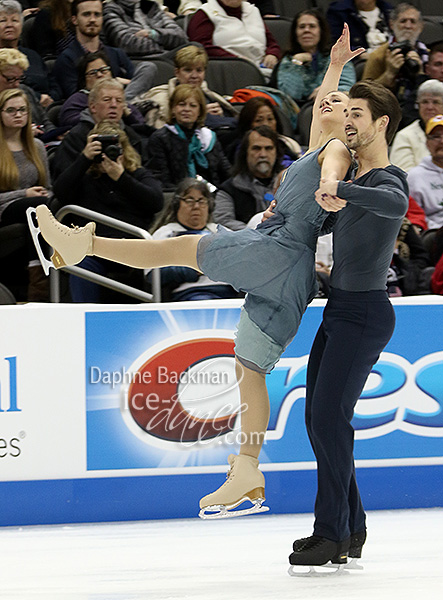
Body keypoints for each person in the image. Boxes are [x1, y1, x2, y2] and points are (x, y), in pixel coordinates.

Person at [31, 25, 363, 518]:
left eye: (337, 104)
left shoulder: (334, 151)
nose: (327, 103)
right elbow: (322, 127)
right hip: (292, 279)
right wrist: (334, 65)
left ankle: (82, 244)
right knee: (249, 368)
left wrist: (333, 186)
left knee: (184, 247)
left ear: (345, 121)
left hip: (279, 250)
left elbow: (334, 165)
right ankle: (248, 467)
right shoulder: (319, 146)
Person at [288, 80, 408, 570]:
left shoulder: (385, 179)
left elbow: (396, 205)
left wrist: (342, 190)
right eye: (348, 112)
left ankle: (330, 532)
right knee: (320, 419)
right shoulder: (358, 181)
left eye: (358, 113)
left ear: (381, 123)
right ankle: (351, 526)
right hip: (340, 308)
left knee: (329, 421)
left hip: (363, 313)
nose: (349, 121)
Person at [53, 118, 163, 301]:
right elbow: (60, 192)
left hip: (132, 248)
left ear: (124, 150)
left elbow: (156, 201)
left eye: (113, 148)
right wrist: (85, 158)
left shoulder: (136, 175)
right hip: (96, 249)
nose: (107, 154)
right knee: (81, 264)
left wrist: (120, 177)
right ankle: (86, 320)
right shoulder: (83, 178)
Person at [0, 88, 53, 301]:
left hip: (34, 208)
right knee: (36, 206)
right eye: (11, 110)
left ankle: (47, 271)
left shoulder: (37, 146)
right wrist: (24, 193)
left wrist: (42, 194)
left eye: (22, 110)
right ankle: (40, 280)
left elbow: (48, 186)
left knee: (45, 205)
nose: (18, 114)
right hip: (3, 210)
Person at [150, 177, 238, 301]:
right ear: (177, 204)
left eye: (201, 201)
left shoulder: (222, 232)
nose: (196, 206)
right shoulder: (165, 234)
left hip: (231, 295)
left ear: (209, 206)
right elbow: (152, 274)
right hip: (191, 295)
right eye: (189, 200)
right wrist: (194, 268)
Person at [52, 0, 156, 101]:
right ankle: (122, 104)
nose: (92, 19)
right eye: (86, 14)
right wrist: (114, 83)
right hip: (92, 111)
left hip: (126, 105)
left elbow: (136, 84)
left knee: (148, 67)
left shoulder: (117, 53)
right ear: (74, 20)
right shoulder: (66, 58)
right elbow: (75, 96)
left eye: (97, 15)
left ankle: (123, 104)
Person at [51, 78, 152, 179]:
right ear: (93, 107)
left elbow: (146, 178)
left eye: (119, 100)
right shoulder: (75, 138)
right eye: (107, 100)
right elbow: (62, 184)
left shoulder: (132, 137)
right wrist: (84, 159)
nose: (114, 105)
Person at [132, 44, 239, 130]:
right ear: (177, 72)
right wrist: (200, 116)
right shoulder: (160, 96)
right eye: (188, 70)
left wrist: (221, 115)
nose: (194, 76)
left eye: (199, 70)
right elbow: (161, 130)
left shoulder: (210, 95)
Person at [147, 83, 231, 191]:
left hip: (213, 195)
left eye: (193, 105)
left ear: (200, 111)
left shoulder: (209, 137)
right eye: (181, 104)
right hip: (177, 196)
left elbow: (225, 171)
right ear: (173, 109)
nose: (187, 109)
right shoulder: (160, 138)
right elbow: (162, 179)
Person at [362, 3, 428, 129]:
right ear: (392, 24)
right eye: (403, 21)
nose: (408, 26)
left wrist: (420, 74)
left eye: (413, 22)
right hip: (385, 115)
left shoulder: (429, 56)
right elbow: (363, 94)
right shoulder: (378, 56)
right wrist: (389, 74)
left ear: (421, 27)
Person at [276, 9, 356, 110]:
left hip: (334, 108)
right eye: (302, 27)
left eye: (312, 26)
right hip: (299, 112)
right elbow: (291, 94)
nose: (306, 30)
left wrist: (326, 92)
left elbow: (347, 86)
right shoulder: (289, 61)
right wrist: (297, 63)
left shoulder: (336, 56)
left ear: (321, 31)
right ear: (295, 33)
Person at [214, 125, 282, 230]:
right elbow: (223, 221)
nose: (263, 154)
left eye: (269, 148)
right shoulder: (229, 190)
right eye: (256, 148)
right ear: (245, 153)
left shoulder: (288, 183)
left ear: (276, 152)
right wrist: (256, 231)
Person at [187, 0, 280, 74]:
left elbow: (271, 42)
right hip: (230, 70)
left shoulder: (253, 10)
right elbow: (201, 47)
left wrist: (272, 54)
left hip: (264, 69)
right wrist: (236, 59)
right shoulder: (205, 13)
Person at [58, 51, 144, 127]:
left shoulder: (120, 100)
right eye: (92, 73)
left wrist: (128, 115)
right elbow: (68, 122)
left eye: (103, 70)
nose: (99, 75)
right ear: (84, 81)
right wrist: (100, 113)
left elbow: (140, 125)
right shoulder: (77, 99)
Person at [0, 0, 60, 105]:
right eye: (2, 21)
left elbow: (54, 86)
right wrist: (37, 98)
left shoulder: (33, 56)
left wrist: (50, 99)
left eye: (15, 20)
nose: (9, 25)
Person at [223, 96, 301, 167]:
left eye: (270, 119)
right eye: (258, 120)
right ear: (248, 123)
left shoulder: (286, 142)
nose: (266, 124)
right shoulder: (240, 149)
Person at [102, 0, 188, 58]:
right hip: (141, 60)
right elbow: (128, 43)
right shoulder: (110, 10)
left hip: (167, 55)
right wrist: (167, 45)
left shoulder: (151, 7)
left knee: (195, 47)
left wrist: (152, 34)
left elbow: (181, 36)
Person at [0, 48, 56, 136]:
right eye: (10, 79)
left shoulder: (25, 91)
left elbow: (44, 120)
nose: (16, 85)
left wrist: (54, 134)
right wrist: (24, 132)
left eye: (19, 79)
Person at [390, 79, 443, 172]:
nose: (430, 107)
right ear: (417, 105)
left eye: (435, 102)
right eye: (425, 102)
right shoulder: (405, 136)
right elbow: (403, 174)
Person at [407, 115, 443, 230]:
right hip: (433, 234)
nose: (442, 141)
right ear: (427, 143)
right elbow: (415, 216)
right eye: (436, 137)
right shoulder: (414, 177)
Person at [326, 0, 392, 54]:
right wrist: (360, 54)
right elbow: (336, 44)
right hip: (359, 60)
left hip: (390, 54)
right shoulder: (338, 12)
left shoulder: (389, 10)